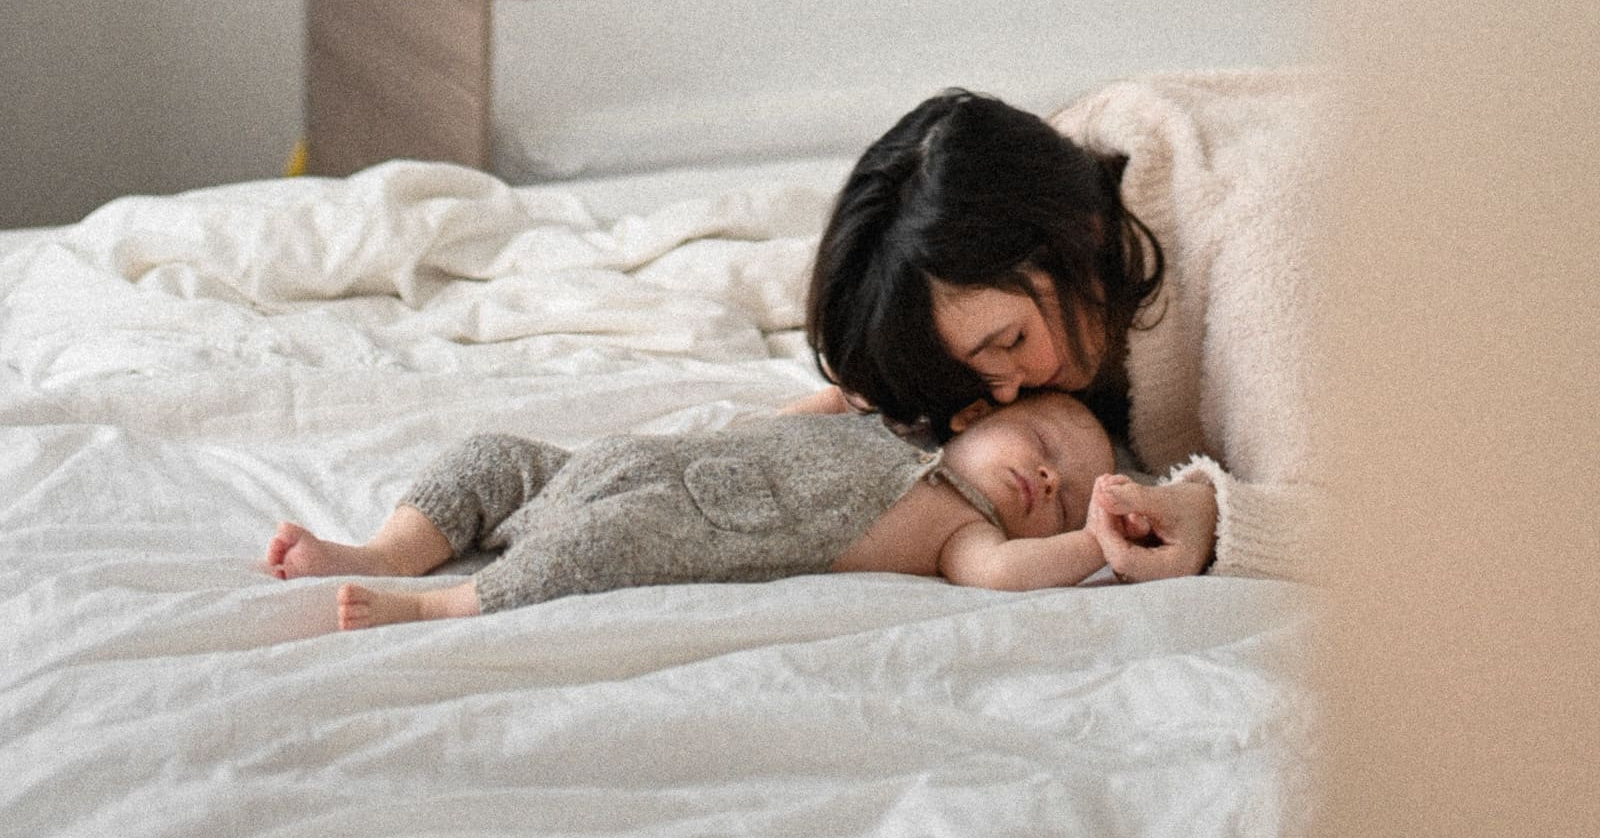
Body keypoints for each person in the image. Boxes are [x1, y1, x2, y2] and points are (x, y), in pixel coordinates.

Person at [796, 74, 1326, 582]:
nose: (1004, 394)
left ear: (1080, 238)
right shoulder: (1012, 178)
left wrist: (1214, 520)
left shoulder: (1265, 275)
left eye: (1013, 341)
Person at [265, 390, 1143, 629]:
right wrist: (834, 394)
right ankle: (384, 552)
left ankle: (435, 605)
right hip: (625, 462)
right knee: (492, 459)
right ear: (976, 415)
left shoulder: (962, 529)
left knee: (596, 548)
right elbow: (782, 422)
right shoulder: (887, 425)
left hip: (688, 528)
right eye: (1043, 444)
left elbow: (1003, 573)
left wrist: (1094, 544)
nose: (1049, 479)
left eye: (1066, 499)